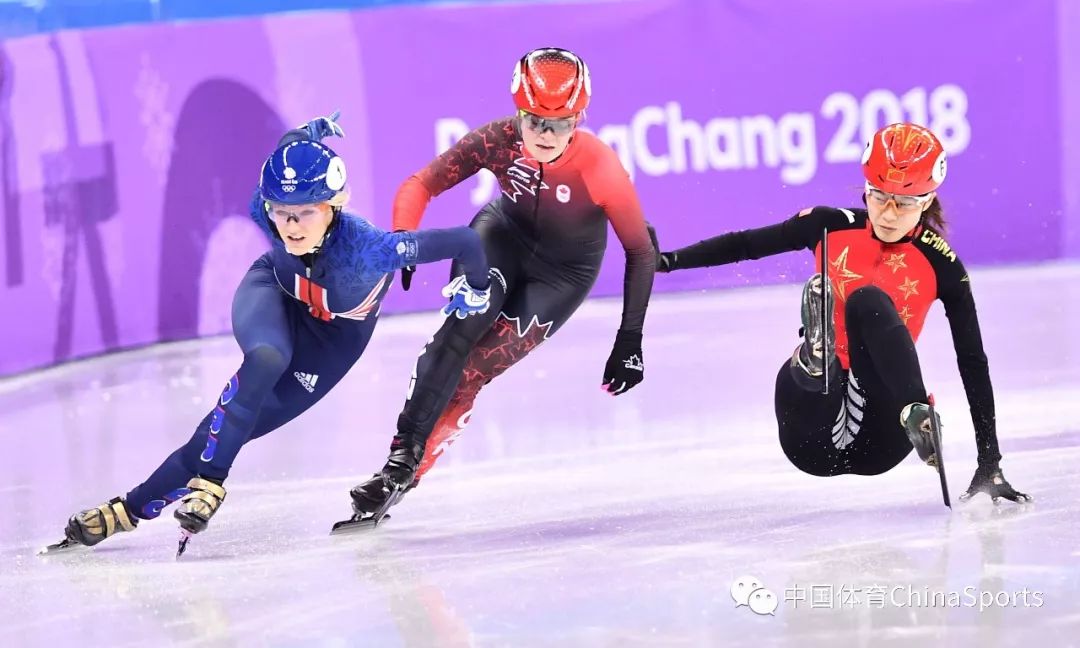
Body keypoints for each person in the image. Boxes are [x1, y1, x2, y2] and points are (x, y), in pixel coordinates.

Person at [44, 113, 494, 553]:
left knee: (210, 440)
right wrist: (310, 132)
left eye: (305, 213)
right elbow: (287, 148)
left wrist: (475, 289)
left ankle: (127, 510)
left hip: (329, 343)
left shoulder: (370, 251)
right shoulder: (265, 210)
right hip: (275, 291)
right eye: (281, 212)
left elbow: (465, 241)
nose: (290, 225)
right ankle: (212, 483)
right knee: (266, 357)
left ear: (333, 206)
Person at [342, 47, 657, 526]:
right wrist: (402, 238)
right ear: (517, 112)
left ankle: (411, 473)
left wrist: (629, 339)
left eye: (562, 122)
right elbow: (419, 184)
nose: (547, 135)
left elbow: (640, 250)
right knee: (455, 338)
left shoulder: (600, 166)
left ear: (581, 117)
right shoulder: (496, 140)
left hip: (563, 275)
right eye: (535, 121)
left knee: (473, 369)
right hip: (500, 240)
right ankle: (397, 464)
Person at [656, 122, 1029, 505]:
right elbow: (746, 244)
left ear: (927, 201)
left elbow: (972, 361)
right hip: (810, 431)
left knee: (868, 301)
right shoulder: (826, 225)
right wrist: (668, 260)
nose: (887, 213)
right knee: (821, 357)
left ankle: (913, 411)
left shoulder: (944, 266)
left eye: (903, 203)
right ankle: (817, 362)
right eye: (878, 196)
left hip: (881, 436)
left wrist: (990, 461)